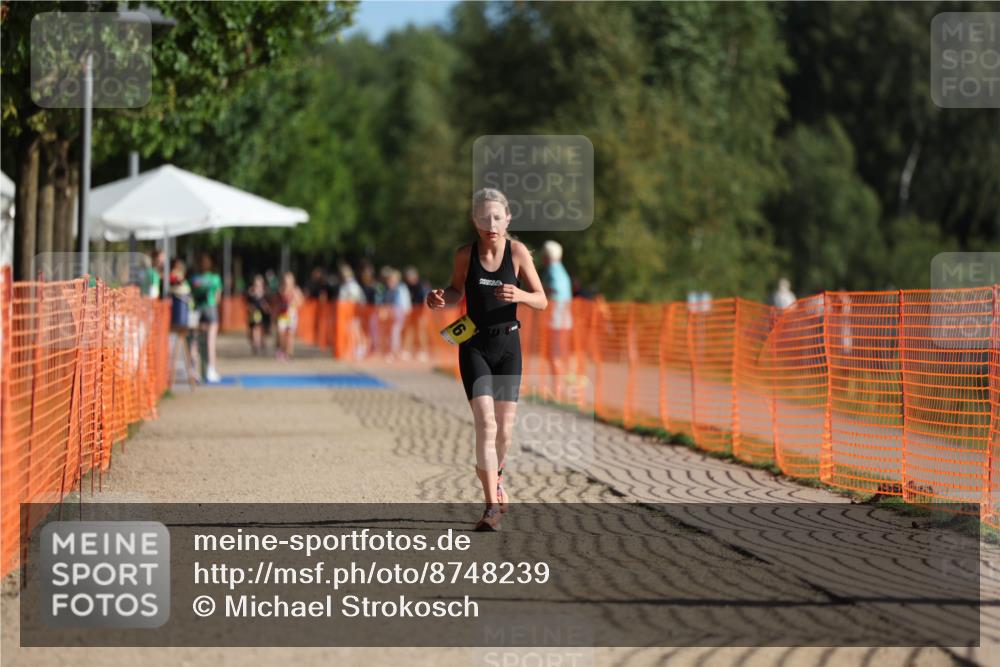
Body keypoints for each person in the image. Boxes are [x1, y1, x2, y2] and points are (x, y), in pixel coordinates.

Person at [425, 188, 547, 531]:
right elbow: (454, 291)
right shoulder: (466, 254)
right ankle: (491, 507)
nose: (490, 223)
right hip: (474, 346)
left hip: (508, 346)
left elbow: (542, 300)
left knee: (505, 431)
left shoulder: (518, 253)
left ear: (507, 218)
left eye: (496, 216)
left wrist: (519, 294)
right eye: (483, 217)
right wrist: (439, 298)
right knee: (485, 424)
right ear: (474, 220)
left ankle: (498, 475)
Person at [540, 240, 573, 396]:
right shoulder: (560, 270)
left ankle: (558, 390)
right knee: (557, 355)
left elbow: (555, 290)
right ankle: (561, 388)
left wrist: (541, 292)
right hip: (562, 320)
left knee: (554, 355)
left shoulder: (553, 270)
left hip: (556, 321)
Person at [190, 253, 223, 383]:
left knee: (195, 341)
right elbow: (217, 297)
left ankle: (193, 369)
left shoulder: (195, 279)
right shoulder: (215, 278)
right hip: (210, 309)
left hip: (197, 310)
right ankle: (210, 369)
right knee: (210, 341)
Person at [380, 267, 411, 360]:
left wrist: (406, 312)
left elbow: (405, 302)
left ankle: (395, 352)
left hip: (398, 315)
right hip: (389, 315)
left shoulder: (401, 288)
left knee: (395, 333)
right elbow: (384, 301)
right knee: (391, 333)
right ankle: (391, 351)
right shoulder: (387, 289)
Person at [402, 266, 431, 361]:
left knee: (420, 331)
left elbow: (425, 299)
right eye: (407, 276)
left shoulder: (422, 285)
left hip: (421, 312)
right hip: (410, 312)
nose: (408, 278)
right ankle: (407, 351)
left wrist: (423, 313)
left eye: (410, 276)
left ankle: (423, 351)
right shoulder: (406, 286)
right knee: (409, 331)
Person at [275, 271, 305, 360]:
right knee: (281, 333)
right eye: (286, 280)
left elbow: (301, 301)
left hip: (292, 314)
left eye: (290, 280)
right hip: (283, 314)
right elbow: (276, 302)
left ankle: (289, 354)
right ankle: (281, 349)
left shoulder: (296, 290)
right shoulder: (281, 289)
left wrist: (295, 302)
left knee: (290, 335)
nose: (288, 281)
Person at [246, 274, 271, 355]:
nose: (257, 286)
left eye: (259, 284)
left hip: (261, 314)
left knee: (258, 329)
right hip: (252, 314)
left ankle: (258, 344)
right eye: (256, 284)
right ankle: (256, 343)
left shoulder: (265, 293)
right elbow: (247, 304)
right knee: (252, 330)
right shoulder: (250, 293)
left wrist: (266, 307)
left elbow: (268, 305)